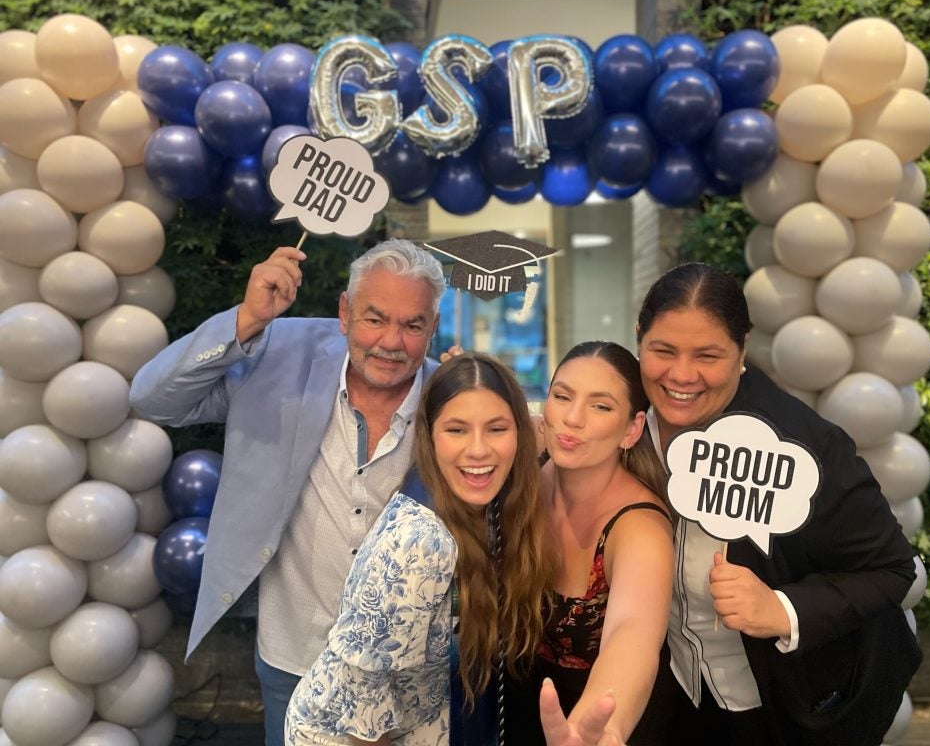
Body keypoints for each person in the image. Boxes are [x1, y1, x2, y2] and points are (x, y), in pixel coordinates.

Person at [129, 239, 447, 746]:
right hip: (294, 656)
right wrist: (246, 319)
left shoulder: (452, 397)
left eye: (413, 325)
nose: (392, 341)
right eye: (375, 318)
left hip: (405, 672)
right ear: (344, 313)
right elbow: (153, 398)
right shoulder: (279, 351)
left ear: (432, 328)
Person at [635, 262, 921, 746]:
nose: (681, 375)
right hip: (678, 703)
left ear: (742, 350)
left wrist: (783, 609)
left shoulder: (807, 445)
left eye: (708, 355)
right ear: (639, 339)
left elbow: (894, 569)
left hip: (786, 710)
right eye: (662, 350)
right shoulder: (628, 427)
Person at [285, 352, 552, 745]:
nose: (478, 450)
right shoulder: (422, 543)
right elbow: (362, 712)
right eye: (456, 430)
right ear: (429, 437)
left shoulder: (478, 500)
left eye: (497, 429)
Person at [504, 341, 676, 746]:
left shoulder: (639, 527)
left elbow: (631, 634)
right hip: (517, 715)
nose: (573, 418)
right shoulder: (524, 477)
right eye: (562, 397)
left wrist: (602, 724)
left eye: (600, 406)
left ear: (632, 429)